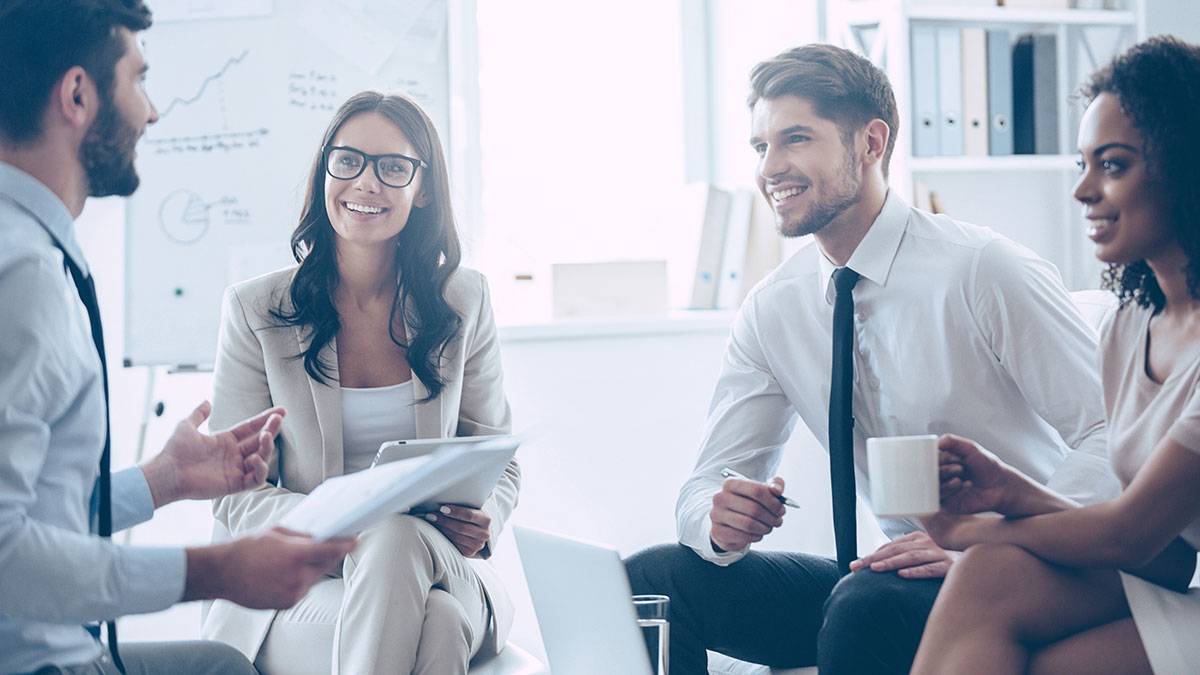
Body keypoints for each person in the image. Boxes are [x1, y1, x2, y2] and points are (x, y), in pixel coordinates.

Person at [624, 43, 1121, 674]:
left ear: (871, 142)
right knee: (652, 581)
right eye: (760, 147)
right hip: (897, 572)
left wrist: (990, 544)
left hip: (1021, 563)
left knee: (864, 604)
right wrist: (720, 519)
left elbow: (1112, 435)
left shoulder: (982, 270)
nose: (770, 167)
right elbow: (707, 480)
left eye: (795, 139)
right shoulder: (774, 308)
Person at [0, 2, 357, 674]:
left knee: (219, 663)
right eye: (138, 79)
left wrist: (162, 480)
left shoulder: (31, 252)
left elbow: (39, 502)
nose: (152, 111)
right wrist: (213, 569)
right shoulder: (22, 275)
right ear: (78, 94)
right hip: (42, 662)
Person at [200, 89, 519, 675]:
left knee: (398, 541)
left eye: (393, 168)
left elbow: (500, 458)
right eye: (348, 161)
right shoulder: (256, 311)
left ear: (421, 189)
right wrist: (345, 518)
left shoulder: (463, 301)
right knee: (440, 623)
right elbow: (233, 493)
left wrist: (487, 518)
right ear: (325, 170)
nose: (366, 183)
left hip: (440, 559)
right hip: (303, 576)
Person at [911, 36, 1200, 675]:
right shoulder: (1131, 327)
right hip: (1183, 585)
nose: (1083, 191)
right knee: (993, 579)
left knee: (1024, 629)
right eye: (1082, 164)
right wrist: (1014, 493)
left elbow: (1130, 536)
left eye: (1114, 165)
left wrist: (968, 531)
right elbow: (1170, 555)